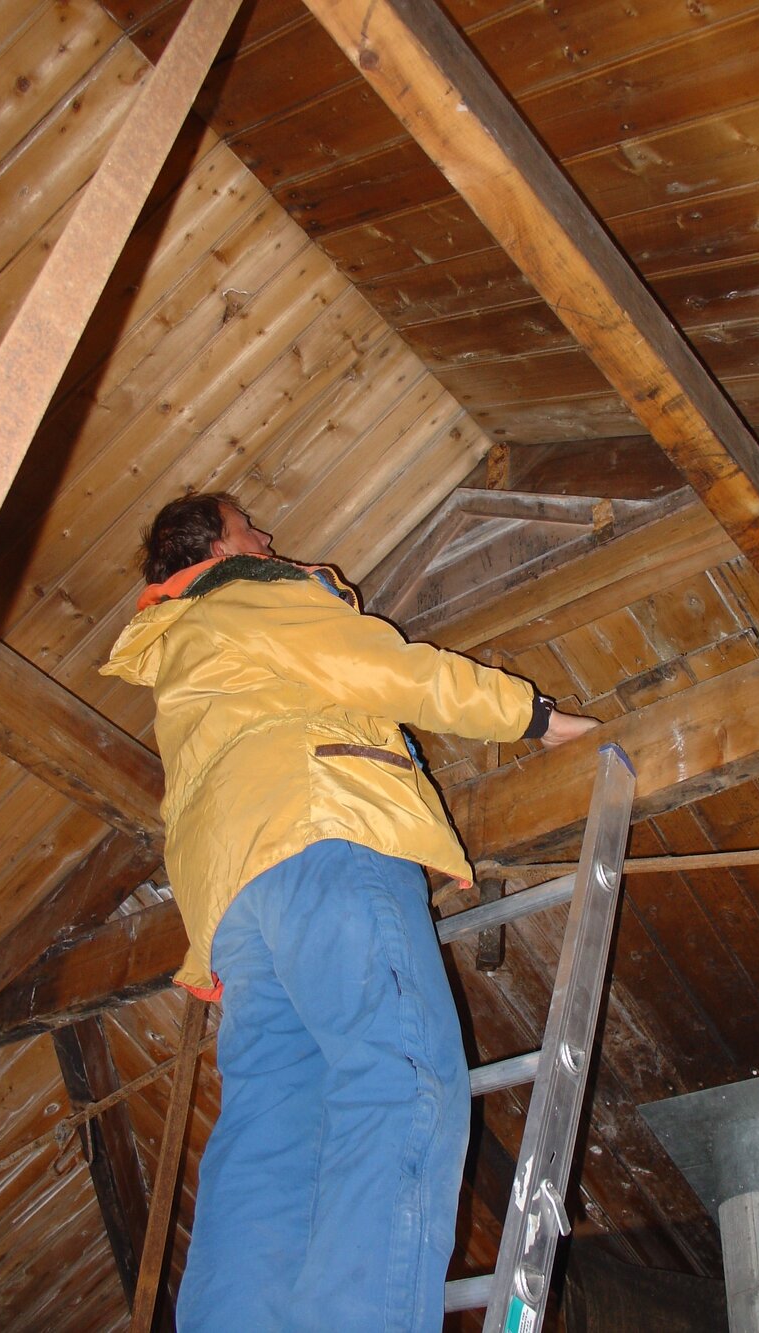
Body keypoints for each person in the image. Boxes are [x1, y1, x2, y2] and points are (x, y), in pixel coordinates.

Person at [101, 491, 597, 1332]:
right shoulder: (249, 590)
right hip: (322, 831)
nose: (268, 534)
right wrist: (534, 715)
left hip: (234, 905)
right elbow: (382, 667)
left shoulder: (181, 653)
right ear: (216, 546)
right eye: (250, 524)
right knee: (398, 1075)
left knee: (271, 1128)